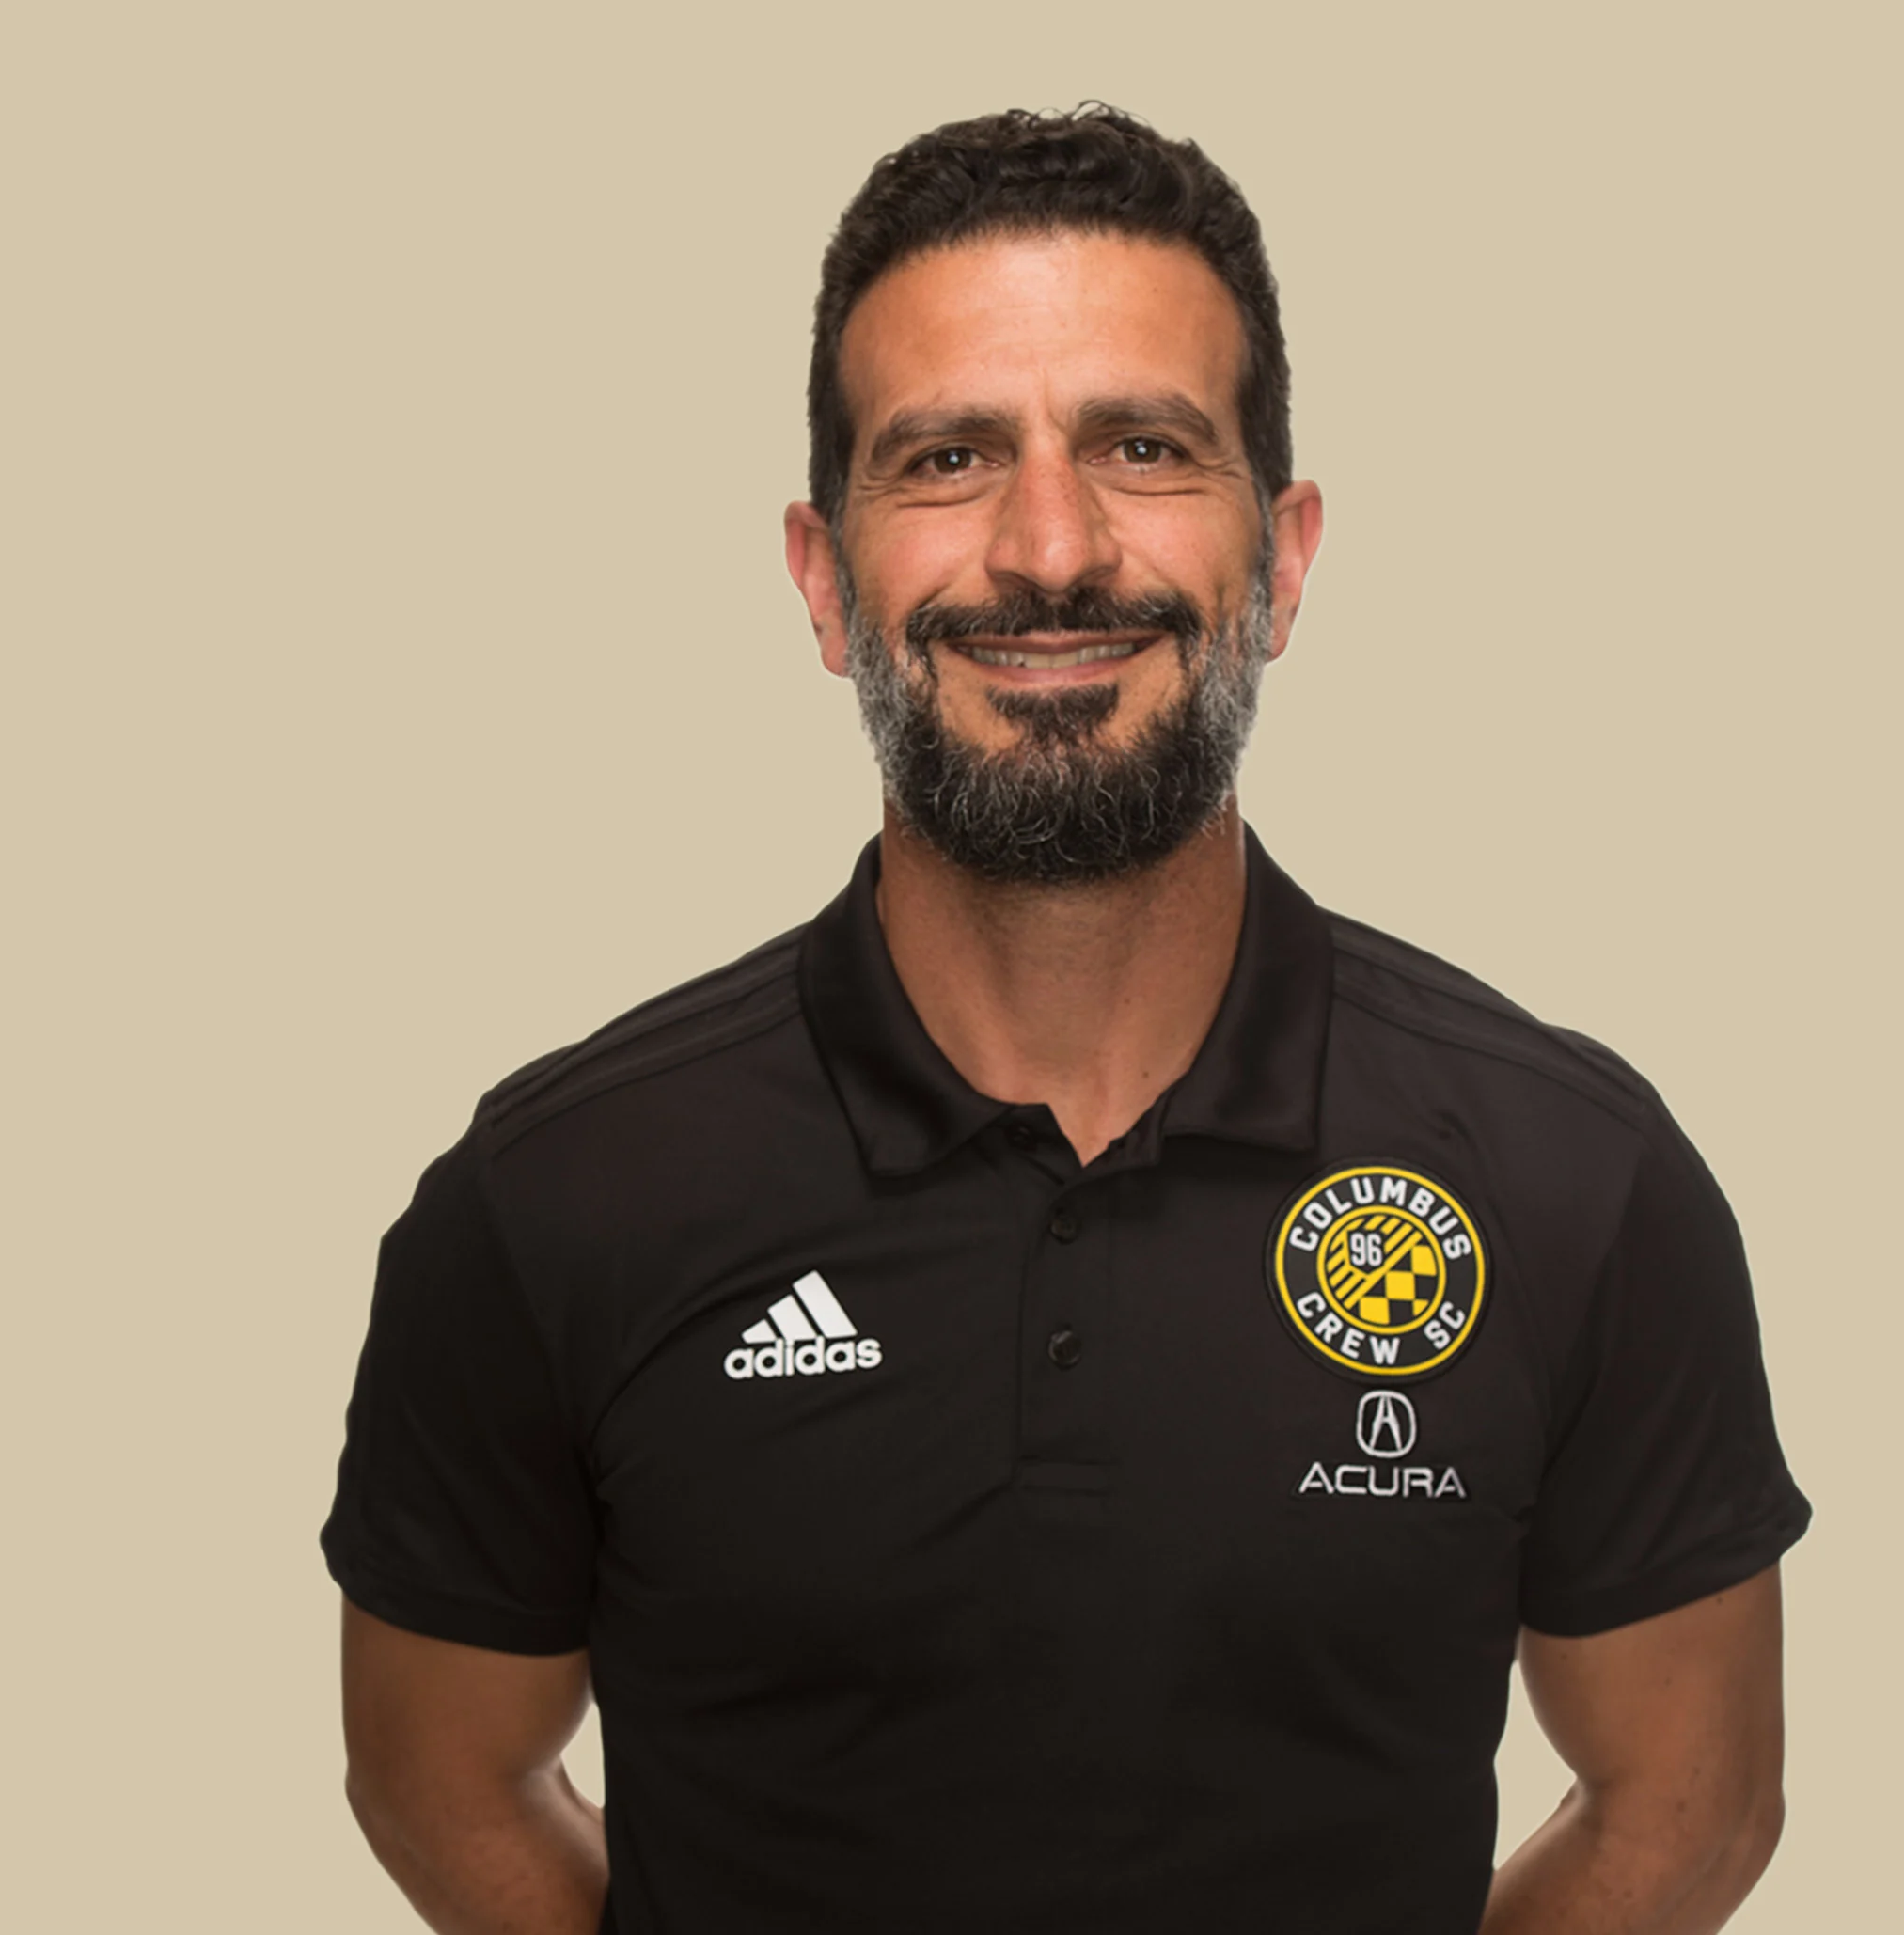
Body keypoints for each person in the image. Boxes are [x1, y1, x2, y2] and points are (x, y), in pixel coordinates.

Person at [321, 104, 1812, 1935]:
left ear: (1283, 560)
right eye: (948, 457)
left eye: (1144, 447)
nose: (1050, 545)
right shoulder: (557, 1199)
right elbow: (439, 1777)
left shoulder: (1580, 1183)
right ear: (823, 578)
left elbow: (1690, 1804)